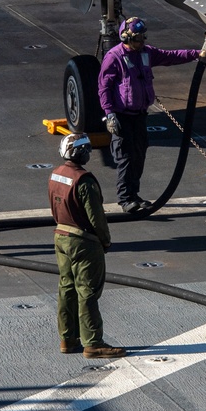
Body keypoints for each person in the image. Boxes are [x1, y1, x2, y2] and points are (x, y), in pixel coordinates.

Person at [98, 17, 200, 213]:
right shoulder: (114, 57)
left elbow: (171, 56)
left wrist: (197, 54)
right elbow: (104, 88)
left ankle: (134, 195)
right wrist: (109, 114)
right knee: (125, 157)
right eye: (138, 39)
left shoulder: (146, 53)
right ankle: (126, 199)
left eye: (143, 38)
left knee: (139, 156)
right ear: (126, 38)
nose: (142, 42)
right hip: (122, 116)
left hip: (139, 116)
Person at [49, 132, 125, 359]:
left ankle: (67, 338)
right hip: (84, 241)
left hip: (61, 235)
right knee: (87, 291)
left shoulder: (55, 174)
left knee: (66, 287)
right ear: (81, 153)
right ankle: (93, 343)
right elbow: (96, 217)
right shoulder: (85, 180)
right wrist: (105, 240)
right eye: (88, 150)